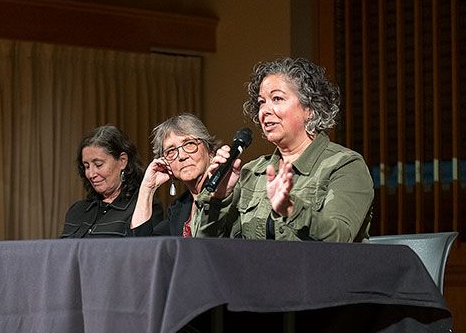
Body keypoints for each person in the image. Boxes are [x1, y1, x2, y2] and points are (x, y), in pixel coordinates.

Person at [192, 57, 374, 242]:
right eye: (262, 102)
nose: (265, 110)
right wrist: (219, 198)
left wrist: (291, 209)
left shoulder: (345, 165)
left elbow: (340, 237)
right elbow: (206, 245)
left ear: (310, 108)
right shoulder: (251, 172)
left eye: (277, 98)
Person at [61, 125, 162, 238]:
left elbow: (145, 250)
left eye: (98, 164)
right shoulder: (77, 210)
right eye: (86, 166)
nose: (91, 174)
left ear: (122, 161)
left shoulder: (144, 207)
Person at [131, 113, 219, 237]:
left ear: (210, 151)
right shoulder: (179, 209)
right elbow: (142, 246)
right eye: (171, 151)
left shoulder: (227, 194)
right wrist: (147, 187)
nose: (182, 156)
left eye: (189, 144)